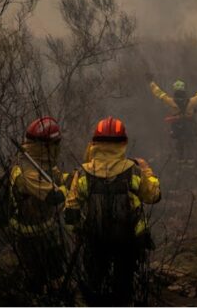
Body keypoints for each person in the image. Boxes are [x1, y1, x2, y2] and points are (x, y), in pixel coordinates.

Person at [66, 117, 161, 306]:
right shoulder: (133, 171)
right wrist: (148, 172)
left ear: (94, 144)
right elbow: (153, 196)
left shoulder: (83, 173)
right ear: (124, 143)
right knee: (124, 287)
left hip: (95, 241)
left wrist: (79, 232)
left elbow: (71, 210)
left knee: (94, 285)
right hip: (127, 242)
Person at [9, 116, 69, 296]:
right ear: (46, 145)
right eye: (56, 144)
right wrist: (69, 189)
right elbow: (53, 196)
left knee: (56, 276)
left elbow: (56, 178)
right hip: (29, 239)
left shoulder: (41, 161)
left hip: (47, 232)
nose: (58, 148)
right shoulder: (26, 170)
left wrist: (72, 177)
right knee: (35, 282)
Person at [146, 74, 197, 162]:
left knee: (179, 141)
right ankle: (191, 158)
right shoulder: (192, 101)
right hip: (190, 125)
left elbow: (159, 93)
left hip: (177, 126)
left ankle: (180, 158)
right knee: (190, 141)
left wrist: (151, 83)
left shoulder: (170, 101)